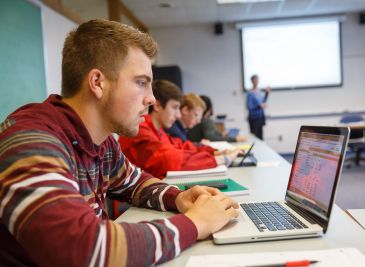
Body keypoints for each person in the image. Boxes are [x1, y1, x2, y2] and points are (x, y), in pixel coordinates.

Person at [0, 19, 239, 267]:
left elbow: (135, 183)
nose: (151, 98)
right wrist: (195, 224)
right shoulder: (31, 141)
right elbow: (83, 249)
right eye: (141, 82)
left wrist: (179, 198)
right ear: (98, 82)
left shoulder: (100, 141)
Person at [119, 80, 241, 178]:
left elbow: (180, 146)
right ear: (157, 105)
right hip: (129, 205)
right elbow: (169, 160)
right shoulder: (140, 128)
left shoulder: (157, 130)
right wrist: (221, 159)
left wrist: (214, 152)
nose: (178, 115)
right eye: (175, 107)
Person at [246, 74, 271, 140]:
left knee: (260, 138)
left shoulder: (259, 92)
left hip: (260, 118)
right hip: (254, 119)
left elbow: (263, 102)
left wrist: (267, 93)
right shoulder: (250, 93)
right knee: (255, 138)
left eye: (257, 80)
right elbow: (249, 107)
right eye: (255, 80)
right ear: (252, 81)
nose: (256, 81)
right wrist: (259, 106)